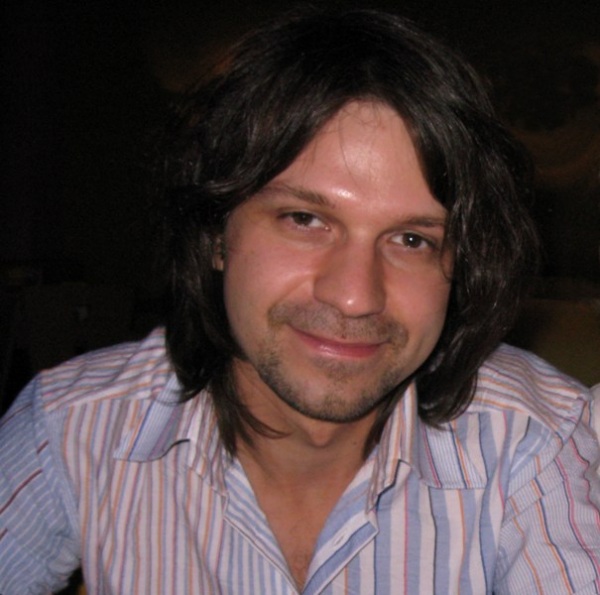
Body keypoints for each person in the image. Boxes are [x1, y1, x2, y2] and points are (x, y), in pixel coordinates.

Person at [1, 7, 599, 594]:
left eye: (412, 240)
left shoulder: (534, 440)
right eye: (304, 219)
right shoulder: (70, 426)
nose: (355, 296)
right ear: (215, 234)